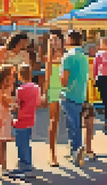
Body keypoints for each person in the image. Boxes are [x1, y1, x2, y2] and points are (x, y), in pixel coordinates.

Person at [61, 30, 89, 167]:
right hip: (80, 94)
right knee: (77, 124)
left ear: (70, 39)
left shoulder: (68, 56)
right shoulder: (83, 56)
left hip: (69, 94)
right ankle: (77, 150)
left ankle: (76, 151)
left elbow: (64, 81)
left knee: (73, 126)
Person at [10, 64, 41, 179]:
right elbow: (38, 104)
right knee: (26, 143)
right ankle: (27, 164)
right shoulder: (36, 88)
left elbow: (17, 105)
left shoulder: (20, 90)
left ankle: (25, 166)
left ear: (19, 75)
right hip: (30, 119)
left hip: (21, 120)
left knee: (21, 144)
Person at [44, 30, 64, 167]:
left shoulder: (68, 55)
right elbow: (47, 76)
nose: (54, 42)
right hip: (53, 90)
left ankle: (76, 149)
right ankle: (52, 154)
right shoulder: (49, 57)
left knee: (73, 120)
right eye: (51, 40)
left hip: (67, 89)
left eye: (56, 39)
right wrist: (45, 93)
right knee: (53, 121)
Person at [0, 65, 15, 173]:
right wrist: (14, 104)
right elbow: (5, 101)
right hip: (3, 116)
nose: (13, 78)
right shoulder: (4, 88)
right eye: (11, 75)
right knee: (2, 141)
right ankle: (3, 165)